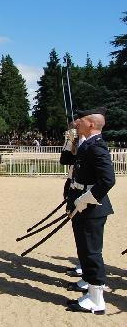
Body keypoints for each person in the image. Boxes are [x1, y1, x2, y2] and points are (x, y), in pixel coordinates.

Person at [65, 107, 115, 315]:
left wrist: (86, 199)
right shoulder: (88, 144)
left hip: (92, 207)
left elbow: (108, 180)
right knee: (85, 249)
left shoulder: (96, 147)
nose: (77, 123)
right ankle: (90, 291)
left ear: (91, 124)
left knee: (92, 252)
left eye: (81, 121)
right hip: (83, 204)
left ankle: (97, 301)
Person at [59, 122, 83, 279]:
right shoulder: (77, 142)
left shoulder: (89, 145)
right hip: (72, 184)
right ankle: (82, 264)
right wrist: (70, 142)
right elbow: (65, 159)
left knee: (84, 232)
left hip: (82, 190)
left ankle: (85, 267)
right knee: (78, 230)